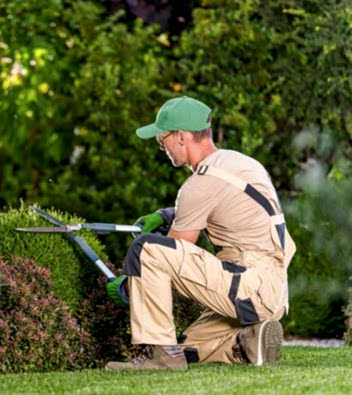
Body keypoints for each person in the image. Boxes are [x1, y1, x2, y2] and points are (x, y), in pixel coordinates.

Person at [105, 96, 296, 370]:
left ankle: (163, 360)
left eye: (163, 138)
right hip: (271, 291)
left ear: (181, 137)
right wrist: (168, 215)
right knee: (185, 347)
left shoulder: (199, 184)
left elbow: (173, 257)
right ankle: (246, 342)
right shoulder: (238, 163)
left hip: (249, 287)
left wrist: (127, 286)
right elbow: (227, 206)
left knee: (146, 249)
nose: (161, 146)